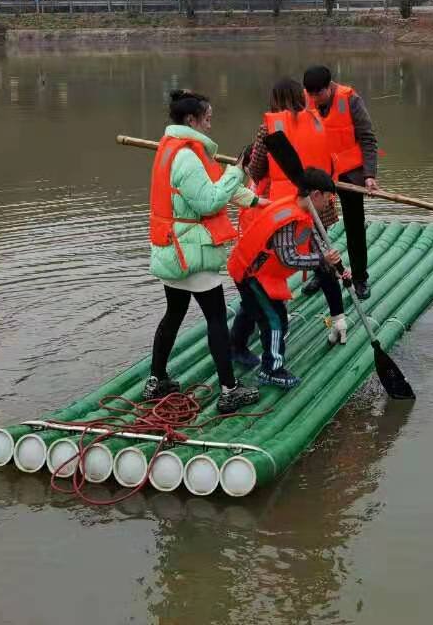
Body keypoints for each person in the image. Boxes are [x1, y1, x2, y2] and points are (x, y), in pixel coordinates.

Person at [147, 89, 262, 413]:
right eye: (207, 120)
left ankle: (156, 379)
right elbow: (210, 200)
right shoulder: (187, 157)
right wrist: (238, 170)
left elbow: (209, 190)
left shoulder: (169, 149)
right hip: (192, 250)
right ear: (191, 120)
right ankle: (229, 389)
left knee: (174, 313)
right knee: (215, 318)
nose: (210, 127)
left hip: (172, 247)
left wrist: (256, 200)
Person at [245, 78, 348, 341]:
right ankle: (339, 319)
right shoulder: (316, 120)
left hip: (287, 207)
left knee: (275, 263)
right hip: (319, 205)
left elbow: (257, 169)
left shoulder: (268, 127)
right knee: (324, 260)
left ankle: (277, 316)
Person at [228, 169, 343, 388]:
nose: (328, 205)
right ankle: (271, 369)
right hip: (251, 273)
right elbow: (289, 257)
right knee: (274, 319)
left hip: (258, 273)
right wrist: (321, 260)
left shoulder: (304, 212)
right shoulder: (287, 217)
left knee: (253, 307)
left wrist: (337, 267)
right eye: (328, 200)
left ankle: (236, 347)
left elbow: (316, 242)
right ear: (316, 195)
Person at [302, 65, 379, 299]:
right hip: (319, 174)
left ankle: (360, 278)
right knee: (316, 226)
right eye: (311, 94)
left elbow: (368, 137)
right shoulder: (305, 100)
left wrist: (369, 175)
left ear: (329, 87)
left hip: (349, 174)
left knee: (355, 227)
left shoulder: (351, 99)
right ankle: (321, 272)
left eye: (319, 94)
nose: (314, 99)